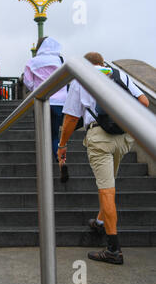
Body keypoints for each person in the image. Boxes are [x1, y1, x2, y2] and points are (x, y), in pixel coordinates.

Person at [58, 52, 149, 265]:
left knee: (106, 190)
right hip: (124, 138)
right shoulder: (120, 76)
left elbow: (71, 117)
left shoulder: (82, 78)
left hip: (100, 138)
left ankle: (113, 250)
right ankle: (100, 221)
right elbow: (144, 102)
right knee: (109, 184)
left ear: (86, 64)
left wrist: (62, 145)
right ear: (102, 63)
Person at [24, 37, 68, 174]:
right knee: (55, 135)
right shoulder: (60, 61)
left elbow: (28, 83)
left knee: (42, 133)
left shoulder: (32, 61)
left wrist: (38, 86)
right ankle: (61, 160)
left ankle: (43, 165)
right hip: (59, 103)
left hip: (42, 101)